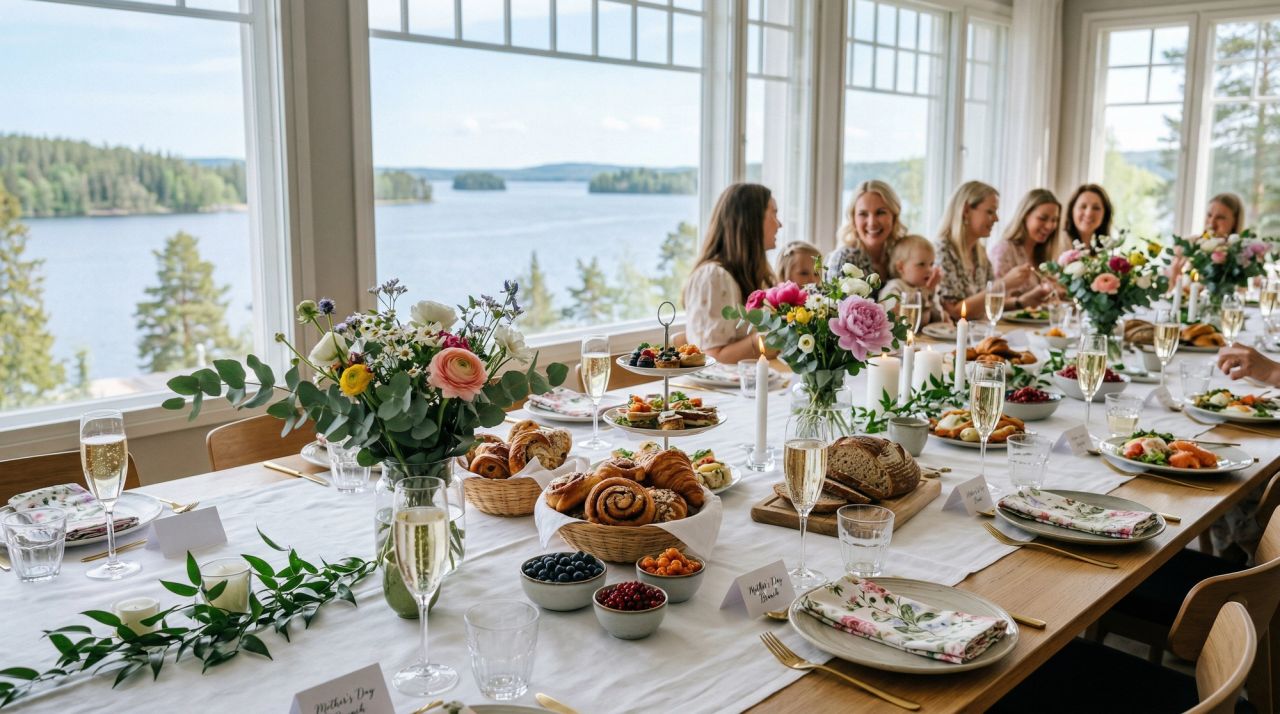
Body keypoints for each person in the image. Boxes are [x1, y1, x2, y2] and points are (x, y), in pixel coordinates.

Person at [682, 183, 779, 363]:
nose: (779, 224)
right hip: (719, 388)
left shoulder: (754, 274)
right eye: (773, 213)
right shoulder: (714, 277)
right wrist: (769, 339)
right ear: (751, 220)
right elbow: (710, 358)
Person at [935, 181, 1039, 320]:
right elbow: (956, 312)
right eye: (990, 211)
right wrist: (1004, 283)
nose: (996, 219)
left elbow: (987, 304)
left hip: (977, 333)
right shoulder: (942, 252)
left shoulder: (980, 253)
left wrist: (1022, 302)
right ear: (966, 210)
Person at [827, 180, 935, 294]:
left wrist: (928, 287)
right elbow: (838, 309)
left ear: (894, 216)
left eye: (880, 212)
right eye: (863, 214)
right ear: (854, 220)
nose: (872, 223)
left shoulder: (902, 255)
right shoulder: (845, 259)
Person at [987, 188, 1064, 307]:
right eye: (1042, 218)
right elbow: (991, 301)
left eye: (1054, 220)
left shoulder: (1046, 253)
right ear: (1025, 215)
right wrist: (1021, 301)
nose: (1049, 226)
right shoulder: (1004, 250)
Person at [1168, 193, 1247, 280]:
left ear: (1235, 222)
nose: (1212, 223)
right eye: (1209, 215)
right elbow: (1169, 288)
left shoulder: (1243, 256)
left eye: (1220, 217)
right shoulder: (1186, 245)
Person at [880, 235, 944, 327]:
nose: (929, 270)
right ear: (901, 267)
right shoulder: (894, 287)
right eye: (921, 264)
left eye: (931, 264)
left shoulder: (927, 289)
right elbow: (895, 317)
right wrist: (926, 291)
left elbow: (938, 320)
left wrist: (931, 294)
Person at [1063, 183, 1113, 250]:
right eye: (1083, 206)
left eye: (1096, 208)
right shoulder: (1058, 246)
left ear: (1105, 214)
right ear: (1071, 210)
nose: (1088, 213)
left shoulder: (1105, 252)